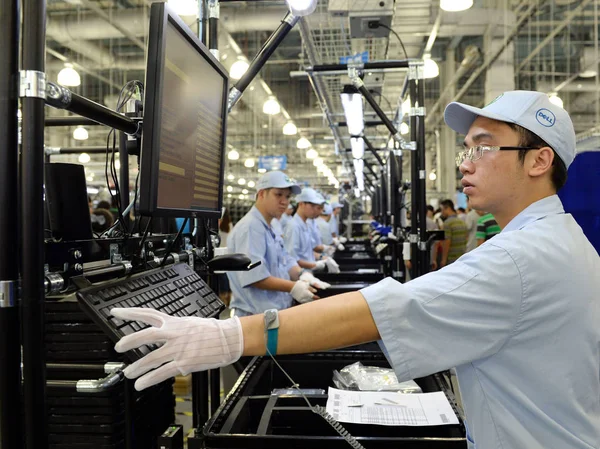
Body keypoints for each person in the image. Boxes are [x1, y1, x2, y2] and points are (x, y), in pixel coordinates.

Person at [113, 91, 600, 449]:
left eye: (484, 147)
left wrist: (229, 337)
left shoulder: (519, 257)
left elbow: (375, 312)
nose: (465, 165)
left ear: (539, 161)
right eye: (466, 149)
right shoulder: (559, 239)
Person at [220, 172, 330, 317]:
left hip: (275, 313)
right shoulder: (250, 228)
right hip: (256, 317)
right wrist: (293, 287)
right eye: (278, 194)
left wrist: (303, 274)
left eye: (287, 196)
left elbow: (286, 259)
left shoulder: (273, 226)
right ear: (261, 194)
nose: (284, 201)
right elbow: (255, 277)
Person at [284, 188, 337, 272]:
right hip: (300, 277)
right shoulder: (294, 226)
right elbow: (292, 259)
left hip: (308, 274)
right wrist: (314, 265)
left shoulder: (306, 225)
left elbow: (306, 252)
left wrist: (323, 258)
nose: (316, 211)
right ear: (301, 204)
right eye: (312, 206)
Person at [439, 199, 467, 267]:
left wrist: (444, 259)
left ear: (448, 208)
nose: (441, 212)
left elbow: (447, 242)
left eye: (442, 209)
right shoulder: (462, 222)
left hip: (451, 259)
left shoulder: (447, 223)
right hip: (462, 257)